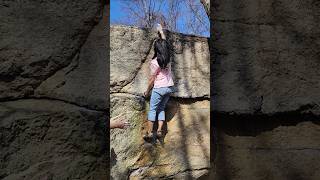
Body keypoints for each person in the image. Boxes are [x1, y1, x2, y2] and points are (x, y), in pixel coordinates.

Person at [143, 23, 174, 140]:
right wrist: (161, 32)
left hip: (159, 88)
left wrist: (147, 91)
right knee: (161, 108)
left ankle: (150, 132)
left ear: (156, 49)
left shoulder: (155, 62)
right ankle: (160, 130)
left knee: (153, 109)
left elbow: (152, 79)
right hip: (169, 87)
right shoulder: (168, 58)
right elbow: (165, 44)